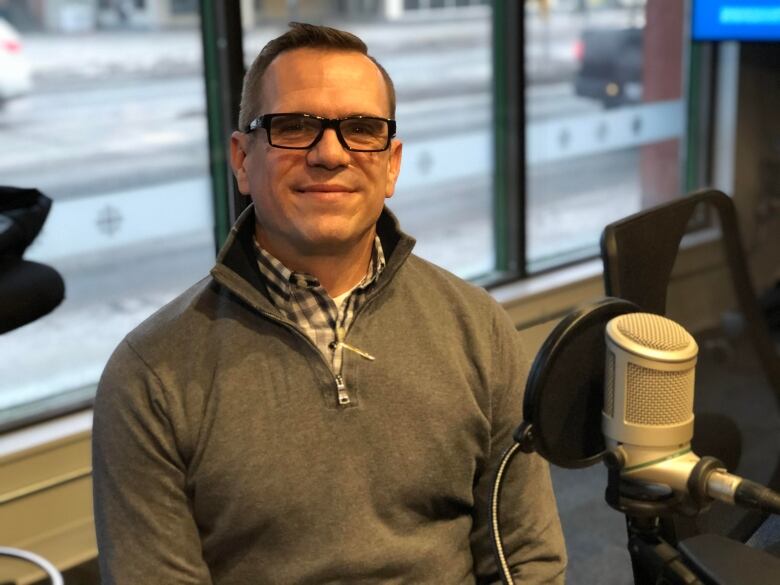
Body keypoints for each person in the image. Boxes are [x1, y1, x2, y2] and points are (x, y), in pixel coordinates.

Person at [92, 22, 566, 584]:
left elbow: (525, 560)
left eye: (362, 129)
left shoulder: (477, 329)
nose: (330, 153)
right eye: (295, 126)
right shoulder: (151, 376)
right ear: (242, 160)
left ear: (391, 164)